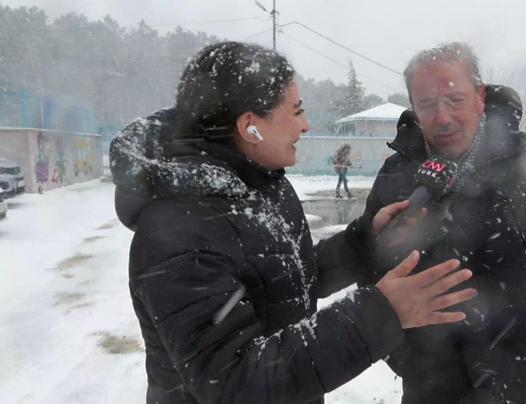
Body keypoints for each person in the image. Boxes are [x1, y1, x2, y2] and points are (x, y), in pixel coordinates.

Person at [110, 41, 478, 404]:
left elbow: (289, 283)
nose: (306, 125)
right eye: (297, 110)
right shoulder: (177, 231)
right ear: (250, 127)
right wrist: (382, 314)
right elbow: (235, 382)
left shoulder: (263, 184)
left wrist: (367, 240)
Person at [362, 42, 526, 403]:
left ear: (480, 97)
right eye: (427, 104)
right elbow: (371, 262)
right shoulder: (397, 173)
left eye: (455, 100)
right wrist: (406, 357)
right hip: (431, 385)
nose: (442, 117)